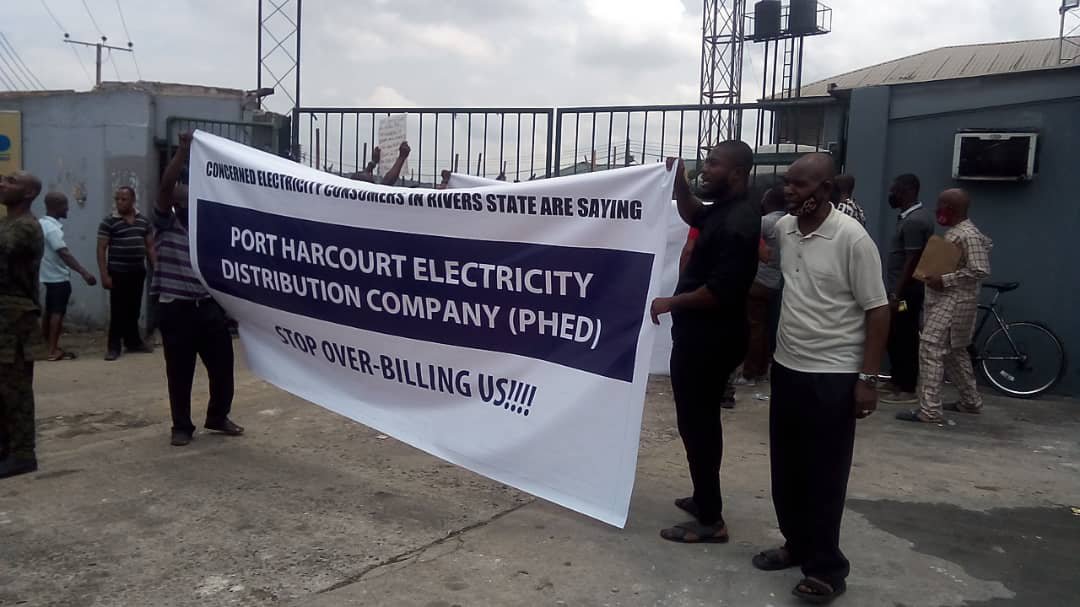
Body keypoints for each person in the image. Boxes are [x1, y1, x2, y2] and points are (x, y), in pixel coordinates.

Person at [752, 153, 889, 605]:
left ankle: (827, 568)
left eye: (800, 184)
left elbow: (878, 311)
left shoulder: (852, 239)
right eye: (787, 183)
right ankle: (796, 544)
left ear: (826, 190)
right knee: (786, 468)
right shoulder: (785, 230)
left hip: (833, 375)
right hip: (789, 368)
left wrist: (867, 379)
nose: (789, 191)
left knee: (824, 475)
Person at [649, 141, 761, 544]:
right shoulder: (723, 210)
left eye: (713, 164)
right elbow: (694, 212)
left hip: (712, 340)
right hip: (701, 336)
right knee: (695, 421)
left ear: (737, 172)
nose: (705, 169)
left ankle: (711, 519)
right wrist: (680, 183)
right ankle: (702, 498)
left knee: (699, 425)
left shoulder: (739, 223)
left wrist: (671, 302)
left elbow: (720, 292)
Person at [154, 133, 243, 446]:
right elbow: (165, 187)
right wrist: (182, 151)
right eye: (183, 195)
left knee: (223, 367)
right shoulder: (166, 223)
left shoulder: (208, 230)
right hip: (175, 308)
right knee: (180, 372)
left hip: (207, 307)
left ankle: (217, 416)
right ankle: (181, 426)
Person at [897, 189, 991, 424]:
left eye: (940, 204)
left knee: (930, 347)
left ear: (950, 207)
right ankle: (970, 402)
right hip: (949, 301)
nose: (936, 209)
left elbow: (980, 269)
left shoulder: (967, 234)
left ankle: (929, 410)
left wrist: (945, 280)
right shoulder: (959, 232)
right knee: (954, 352)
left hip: (954, 302)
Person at [0, 171, 45, 479]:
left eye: (11, 181)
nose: (3, 183)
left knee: (15, 388)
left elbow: (6, 247)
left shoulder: (27, 226)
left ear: (29, 193)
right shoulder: (7, 224)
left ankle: (22, 453)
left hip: (14, 319)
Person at [880, 173, 932, 405]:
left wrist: (896, 294)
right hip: (900, 290)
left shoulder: (914, 221)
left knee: (905, 335)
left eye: (896, 190)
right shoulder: (909, 217)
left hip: (905, 294)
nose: (892, 194)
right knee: (894, 333)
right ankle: (896, 380)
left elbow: (912, 261)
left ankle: (907, 387)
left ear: (909, 191)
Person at [734, 185, 787, 386]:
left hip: (758, 280)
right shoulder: (787, 222)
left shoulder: (765, 222)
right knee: (764, 327)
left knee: (753, 327)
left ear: (769, 201)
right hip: (775, 281)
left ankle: (749, 372)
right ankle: (762, 368)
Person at [97, 186, 155, 360]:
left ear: (133, 200)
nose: (120, 202)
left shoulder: (143, 221)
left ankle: (133, 342)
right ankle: (113, 347)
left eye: (124, 199)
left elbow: (150, 247)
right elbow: (101, 249)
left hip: (137, 271)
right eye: (117, 199)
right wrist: (104, 275)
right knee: (118, 311)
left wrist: (157, 269)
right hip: (118, 272)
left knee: (134, 309)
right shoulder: (109, 222)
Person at [39, 192, 97, 360]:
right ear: (56, 206)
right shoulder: (52, 229)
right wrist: (84, 273)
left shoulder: (41, 224)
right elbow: (64, 253)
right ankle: (52, 350)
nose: (68, 209)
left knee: (49, 311)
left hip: (47, 276)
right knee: (57, 313)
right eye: (65, 205)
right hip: (58, 277)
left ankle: (45, 346)